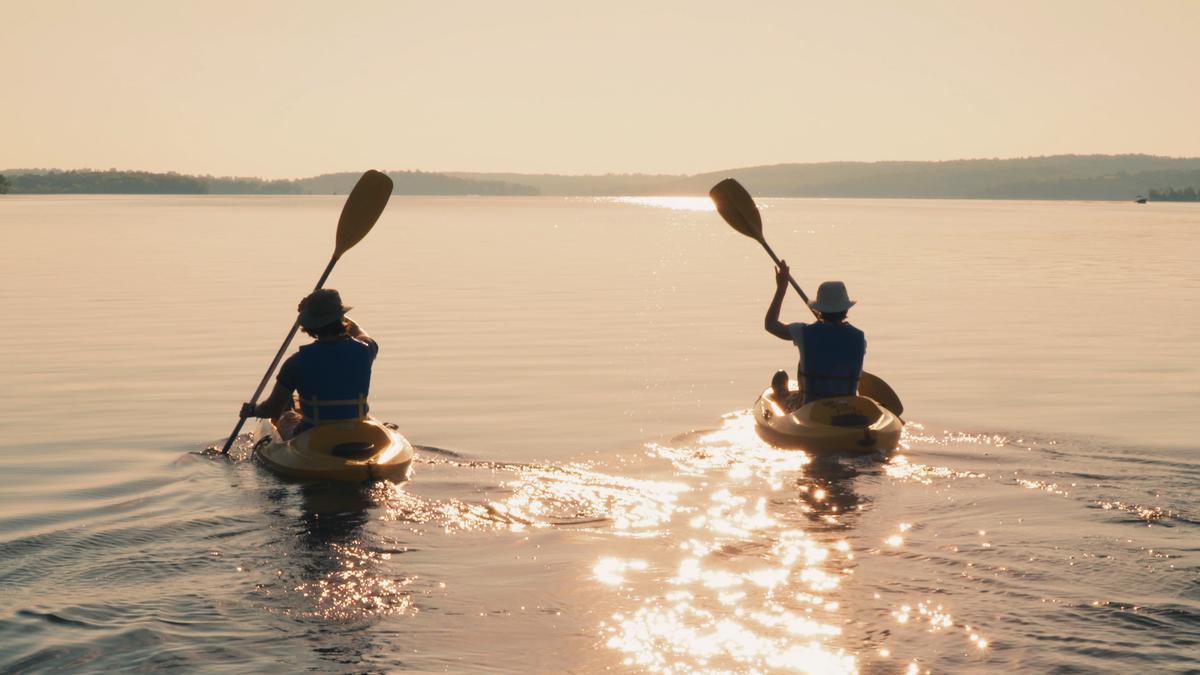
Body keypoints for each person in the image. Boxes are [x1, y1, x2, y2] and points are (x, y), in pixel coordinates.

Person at [240, 289, 378, 439]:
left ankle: (289, 413)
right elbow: (359, 332)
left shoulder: (296, 362)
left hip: (313, 435)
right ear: (341, 319)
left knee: (286, 413)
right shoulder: (365, 350)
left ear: (310, 326)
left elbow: (272, 409)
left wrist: (253, 410)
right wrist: (338, 314)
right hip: (357, 430)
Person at [764, 261, 865, 408]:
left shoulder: (802, 333)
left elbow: (771, 325)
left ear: (819, 309)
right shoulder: (860, 338)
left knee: (782, 397)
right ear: (846, 309)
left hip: (810, 410)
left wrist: (781, 289)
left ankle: (781, 392)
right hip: (847, 408)